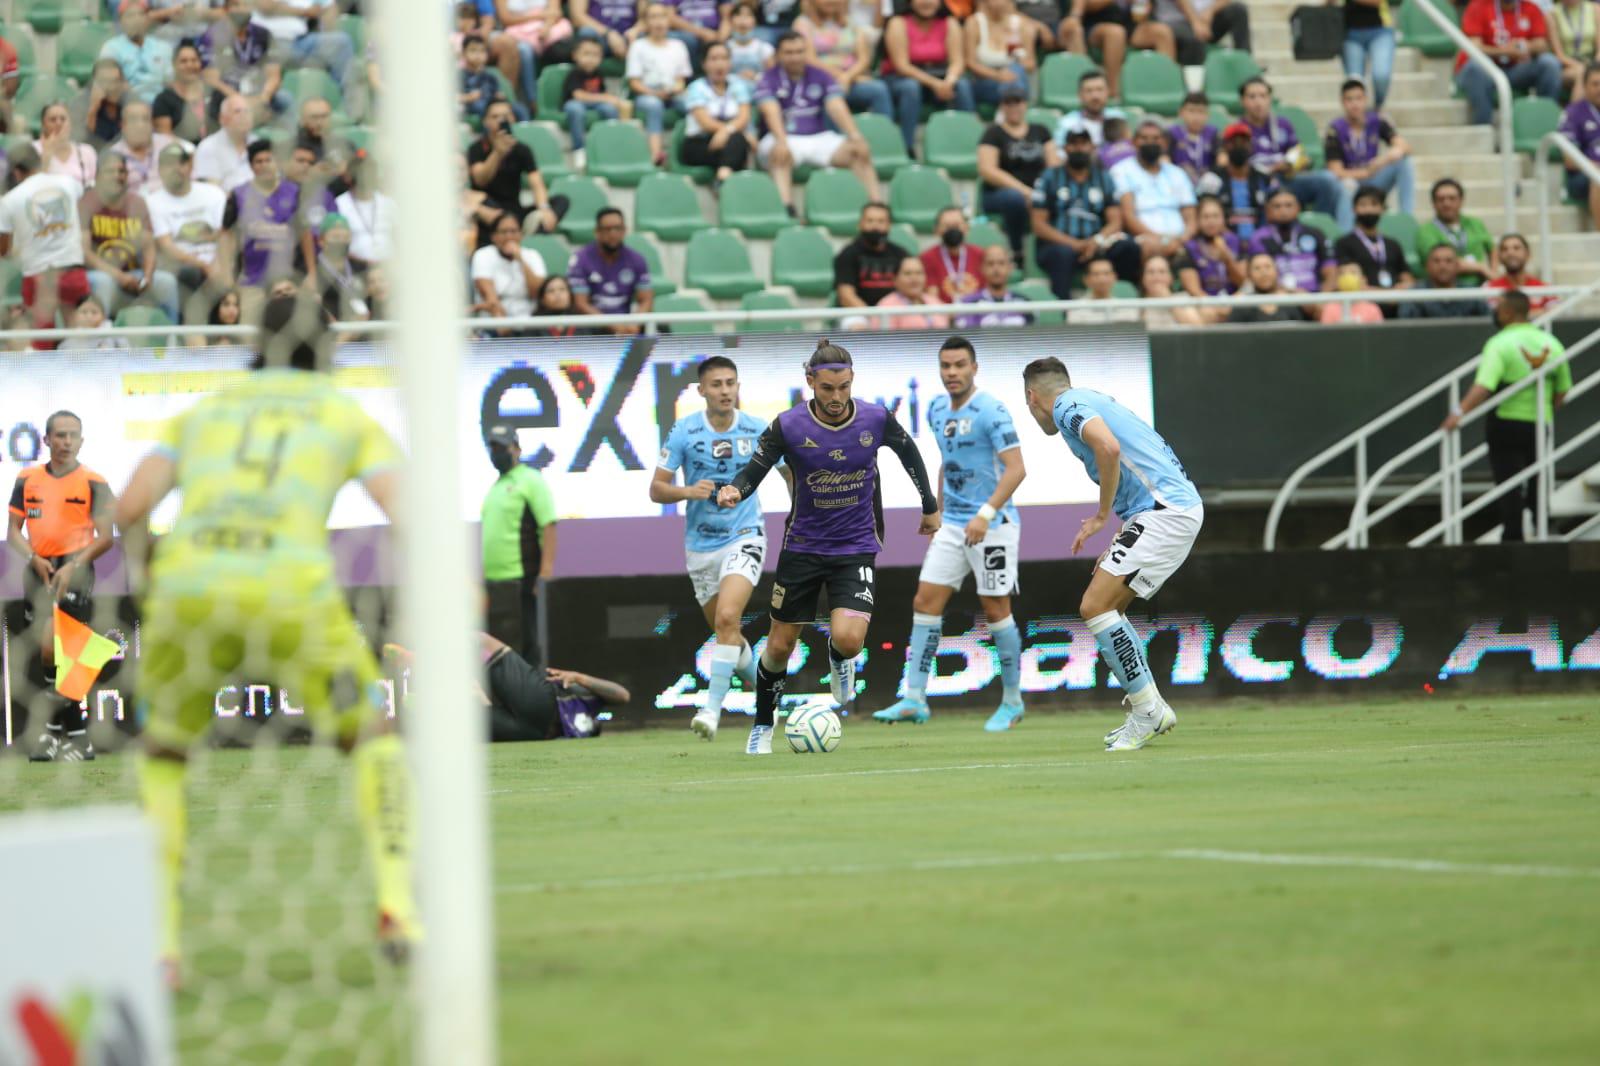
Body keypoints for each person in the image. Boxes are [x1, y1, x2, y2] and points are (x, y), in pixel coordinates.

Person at [116, 293, 421, 981]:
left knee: (163, 754)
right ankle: (398, 907)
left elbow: (130, 506)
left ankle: (162, 946)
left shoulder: (206, 410)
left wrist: (147, 577)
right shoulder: (342, 413)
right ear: (330, 346)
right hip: (293, 594)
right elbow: (406, 507)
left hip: (189, 590)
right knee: (371, 739)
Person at [715, 340, 941, 755]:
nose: (836, 398)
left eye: (843, 388)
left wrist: (930, 506)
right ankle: (763, 725)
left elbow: (910, 454)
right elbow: (756, 469)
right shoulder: (788, 425)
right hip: (802, 548)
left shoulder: (876, 418)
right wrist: (735, 489)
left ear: (851, 381)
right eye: (827, 389)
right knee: (780, 645)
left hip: (855, 547)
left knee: (850, 640)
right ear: (810, 383)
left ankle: (840, 658)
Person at [1021, 355, 1201, 750]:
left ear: (1032, 397)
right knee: (1106, 609)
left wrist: (1101, 515)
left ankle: (1148, 710)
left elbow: (1108, 447)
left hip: (1164, 511)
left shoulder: (1067, 406)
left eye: (1028, 406)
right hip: (1167, 510)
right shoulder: (1092, 397)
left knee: (1095, 606)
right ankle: (1148, 707)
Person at [874, 337, 1028, 730]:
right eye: (946, 366)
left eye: (960, 365)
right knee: (925, 601)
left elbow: (1016, 469)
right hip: (954, 522)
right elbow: (949, 463)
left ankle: (1012, 701)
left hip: (993, 525)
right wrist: (935, 509)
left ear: (974, 368)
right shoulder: (937, 408)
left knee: (995, 609)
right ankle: (914, 699)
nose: (952, 373)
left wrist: (986, 512)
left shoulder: (992, 411)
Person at [650, 357, 772, 741]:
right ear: (701, 390)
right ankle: (770, 701)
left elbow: (789, 475)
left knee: (727, 618)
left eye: (730, 383)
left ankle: (711, 709)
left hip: (746, 535)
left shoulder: (758, 430)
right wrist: (688, 491)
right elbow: (657, 488)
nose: (725, 391)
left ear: (738, 387)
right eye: (716, 384)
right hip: (701, 545)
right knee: (728, 636)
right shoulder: (684, 432)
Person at [6, 411, 114, 763]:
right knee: (50, 653)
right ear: (47, 441)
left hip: (76, 568)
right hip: (38, 569)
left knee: (64, 649)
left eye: (73, 435)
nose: (67, 442)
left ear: (81, 441)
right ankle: (74, 736)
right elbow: (13, 534)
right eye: (60, 435)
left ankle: (55, 733)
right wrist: (33, 558)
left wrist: (75, 565)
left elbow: (106, 537)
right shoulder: (27, 478)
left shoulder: (94, 481)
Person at [1441, 289, 1570, 541]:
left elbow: (1484, 386)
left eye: (1498, 308)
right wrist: (1545, 408)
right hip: (1538, 423)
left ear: (1509, 312)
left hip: (1505, 423)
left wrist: (1458, 412)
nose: (1495, 313)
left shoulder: (1499, 343)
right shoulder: (1551, 343)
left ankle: (1513, 534)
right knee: (1538, 477)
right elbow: (1563, 389)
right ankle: (1543, 526)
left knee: (1508, 481)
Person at [382, 636, 624, 743]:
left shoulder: (587, 698)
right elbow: (620, 695)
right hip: (534, 734)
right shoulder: (590, 714)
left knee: (480, 642)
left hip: (545, 705)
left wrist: (579, 677)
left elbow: (623, 695)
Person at [757, 32, 879, 210]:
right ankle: (786, 208)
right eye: (789, 53)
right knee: (779, 153)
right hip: (783, 136)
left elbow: (836, 106)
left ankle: (876, 206)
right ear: (778, 55)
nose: (795, 57)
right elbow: (771, 111)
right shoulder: (768, 78)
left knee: (858, 150)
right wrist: (782, 141)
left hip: (818, 136)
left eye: (799, 52)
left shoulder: (820, 74)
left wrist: (855, 135)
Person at [1031, 120, 1141, 297]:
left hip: (1096, 244)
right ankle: (1063, 312)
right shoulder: (1049, 177)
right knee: (1062, 255)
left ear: (1092, 147)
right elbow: (1038, 225)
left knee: (1128, 247)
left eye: (1083, 144)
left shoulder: (1104, 178)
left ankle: (1125, 303)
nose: (1079, 148)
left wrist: (1096, 241)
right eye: (1073, 144)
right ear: (1065, 148)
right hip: (1059, 244)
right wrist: (1073, 244)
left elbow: (1115, 221)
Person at [480, 423, 559, 663]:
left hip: (521, 580)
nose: (497, 453)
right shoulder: (496, 486)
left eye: (502, 447)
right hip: (495, 584)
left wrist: (544, 573)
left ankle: (530, 698)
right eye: (493, 447)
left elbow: (549, 525)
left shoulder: (531, 480)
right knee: (499, 653)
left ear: (516, 449)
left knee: (524, 650)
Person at [0, 144, 90, 348]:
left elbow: (2, 250)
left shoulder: (10, 200)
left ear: (15, 172)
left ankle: (45, 378)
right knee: (78, 336)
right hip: (71, 268)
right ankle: (84, 373)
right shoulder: (69, 183)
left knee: (42, 341)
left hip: (37, 274)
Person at [1238, 77, 1351, 231]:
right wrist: (1269, 171)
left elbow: (1300, 156)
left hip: (1287, 178)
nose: (1258, 102)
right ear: (1242, 101)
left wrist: (1290, 165)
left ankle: (1317, 230)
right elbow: (1236, 166)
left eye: (1263, 96)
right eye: (1252, 97)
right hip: (1258, 182)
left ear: (1270, 99)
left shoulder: (1283, 124)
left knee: (1329, 180)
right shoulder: (1238, 129)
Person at [81, 149, 181, 323]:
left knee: (167, 282)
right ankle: (103, 341)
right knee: (103, 282)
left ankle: (170, 340)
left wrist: (148, 276)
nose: (117, 176)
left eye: (121, 171)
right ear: (97, 176)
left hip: (134, 273)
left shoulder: (137, 203)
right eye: (110, 171)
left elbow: (149, 247)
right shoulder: (87, 202)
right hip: (101, 273)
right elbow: (85, 253)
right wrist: (118, 276)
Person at [218, 138, 317, 304]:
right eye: (258, 161)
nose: (264, 165)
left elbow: (305, 233)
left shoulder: (294, 192)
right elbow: (225, 233)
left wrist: (311, 274)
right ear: (251, 166)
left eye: (268, 160)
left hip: (289, 278)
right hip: (251, 278)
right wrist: (227, 274)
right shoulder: (239, 194)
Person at [881, 0, 976, 153]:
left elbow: (958, 61)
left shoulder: (949, 22)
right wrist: (935, 84)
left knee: (962, 85)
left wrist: (949, 81)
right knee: (910, 88)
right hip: (901, 79)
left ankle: (972, 143)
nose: (926, 2)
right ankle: (907, 147)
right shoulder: (898, 22)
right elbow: (902, 66)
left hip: (939, 76)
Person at [149, 142, 229, 323]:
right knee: (190, 273)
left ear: (191, 166)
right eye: (169, 164)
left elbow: (225, 235)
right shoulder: (153, 202)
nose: (177, 168)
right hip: (181, 267)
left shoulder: (213, 194)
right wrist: (204, 266)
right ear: (160, 170)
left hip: (218, 259)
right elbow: (167, 246)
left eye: (182, 163)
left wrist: (220, 264)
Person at [978, 85, 1058, 258]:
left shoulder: (1041, 130)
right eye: (1008, 102)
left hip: (1037, 188)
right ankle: (1017, 250)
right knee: (1014, 199)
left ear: (1025, 104)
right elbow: (987, 170)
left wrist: (1040, 191)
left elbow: (1054, 165)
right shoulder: (993, 133)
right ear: (1002, 106)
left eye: (1017, 102)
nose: (1013, 106)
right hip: (999, 193)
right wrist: (1024, 191)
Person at [1456, 0, 1563, 126]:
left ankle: (1544, 120)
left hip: (1516, 68)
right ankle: (1483, 127)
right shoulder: (1478, 5)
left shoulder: (1530, 7)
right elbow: (1474, 47)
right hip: (1486, 70)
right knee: (1475, 67)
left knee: (1549, 63)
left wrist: (1524, 46)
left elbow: (1541, 44)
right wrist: (1505, 51)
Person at [468, 99, 561, 241]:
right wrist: (497, 153)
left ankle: (528, 231)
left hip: (515, 209)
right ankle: (515, 232)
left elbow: (536, 181)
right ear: (485, 121)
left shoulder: (521, 149)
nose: (501, 120)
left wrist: (544, 208)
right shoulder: (476, 149)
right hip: (490, 210)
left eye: (506, 116)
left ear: (513, 118)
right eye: (495, 116)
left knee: (560, 201)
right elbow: (480, 180)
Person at [1324, 79, 1415, 216]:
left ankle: (1407, 216)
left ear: (1365, 100)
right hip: (1351, 181)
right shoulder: (1335, 129)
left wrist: (1385, 159)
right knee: (1346, 185)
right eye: (1349, 99)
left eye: (1359, 99)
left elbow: (1406, 147)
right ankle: (1346, 232)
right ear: (1342, 102)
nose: (1355, 104)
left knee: (1404, 161)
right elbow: (1336, 171)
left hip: (1374, 179)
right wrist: (1366, 172)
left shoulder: (1377, 120)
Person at [1059, 0, 1176, 101]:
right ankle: (1113, 94)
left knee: (1162, 32)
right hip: (1096, 25)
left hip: (1130, 24)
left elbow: (1143, 9)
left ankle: (1167, 87)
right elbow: (1087, 5)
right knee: (1116, 33)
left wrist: (1143, 7)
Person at [1113, 120, 1197, 259]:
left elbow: (1191, 217)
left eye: (1156, 138)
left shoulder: (1177, 173)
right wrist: (1162, 240)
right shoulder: (1122, 170)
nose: (1150, 142)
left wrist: (1181, 239)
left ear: (1164, 143)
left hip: (1180, 239)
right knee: (1149, 246)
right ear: (1134, 142)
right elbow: (1128, 216)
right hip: (1145, 238)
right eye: (1144, 138)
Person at [797, 0, 892, 119]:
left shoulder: (850, 22)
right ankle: (837, 137)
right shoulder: (803, 23)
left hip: (851, 79)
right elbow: (809, 59)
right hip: (821, 80)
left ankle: (884, 135)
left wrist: (847, 77)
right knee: (833, 93)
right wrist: (839, 76)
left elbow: (864, 58)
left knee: (878, 89)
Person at [680, 41, 755, 187]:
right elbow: (705, 122)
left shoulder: (738, 85)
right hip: (700, 143)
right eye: (714, 59)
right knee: (739, 142)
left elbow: (744, 116)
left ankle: (722, 179)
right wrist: (727, 130)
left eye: (724, 58)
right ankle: (728, 185)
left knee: (737, 142)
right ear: (704, 63)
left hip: (730, 141)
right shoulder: (696, 88)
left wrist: (726, 131)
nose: (719, 64)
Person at [568, 206, 655, 331]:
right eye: (607, 229)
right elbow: (581, 304)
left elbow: (646, 299)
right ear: (597, 232)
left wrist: (634, 323)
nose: (613, 234)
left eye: (617, 228)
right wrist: (613, 326)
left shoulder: (637, 259)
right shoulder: (580, 259)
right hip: (594, 323)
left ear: (624, 231)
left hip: (626, 322)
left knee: (659, 328)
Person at [628, 3, 694, 166]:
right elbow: (634, 83)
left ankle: (689, 152)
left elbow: (681, 79)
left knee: (691, 104)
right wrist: (655, 93)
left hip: (672, 92)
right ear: (645, 22)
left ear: (669, 20)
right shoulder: (638, 46)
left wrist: (676, 88)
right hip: (646, 93)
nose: (659, 22)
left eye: (662, 16)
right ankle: (656, 155)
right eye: (653, 17)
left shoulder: (678, 46)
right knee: (654, 106)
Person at [1332, 184, 1414, 314]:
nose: (1369, 210)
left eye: (1374, 204)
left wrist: (1405, 286)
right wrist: (1389, 295)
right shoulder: (1344, 243)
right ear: (1354, 209)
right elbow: (1348, 282)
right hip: (1362, 310)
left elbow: (1407, 277)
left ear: (1382, 209)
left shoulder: (1393, 244)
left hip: (1398, 308)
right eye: (1363, 205)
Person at [199, 0, 283, 125]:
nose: (242, 9)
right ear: (226, 9)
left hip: (258, 91)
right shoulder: (212, 36)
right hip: (226, 92)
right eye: (236, 5)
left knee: (285, 100)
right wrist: (241, 99)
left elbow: (274, 75)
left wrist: (263, 98)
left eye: (246, 5)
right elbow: (211, 79)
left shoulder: (263, 34)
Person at [248, 1, 355, 95]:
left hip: (299, 42)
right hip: (266, 41)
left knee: (341, 42)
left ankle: (351, 106)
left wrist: (326, 27)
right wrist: (305, 11)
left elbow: (329, 8)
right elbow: (266, 6)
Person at [1246, 187, 1337, 293]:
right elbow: (1258, 276)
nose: (1283, 211)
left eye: (1288, 205)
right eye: (1277, 206)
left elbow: (1331, 272)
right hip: (1276, 298)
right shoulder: (1259, 238)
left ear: (1298, 208)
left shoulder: (1315, 234)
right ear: (1268, 211)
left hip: (1313, 298)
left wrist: (1320, 301)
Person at [1194, 121, 1274, 241]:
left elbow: (1273, 210)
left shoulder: (1263, 176)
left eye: (1243, 142)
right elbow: (1202, 212)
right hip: (1222, 240)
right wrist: (1232, 240)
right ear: (1225, 146)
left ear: (1251, 145)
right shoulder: (1211, 178)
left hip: (1261, 241)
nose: (1239, 146)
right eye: (1233, 143)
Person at [471, 212, 547, 329]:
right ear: (493, 236)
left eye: (513, 231)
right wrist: (505, 329)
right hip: (495, 325)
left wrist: (520, 259)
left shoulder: (532, 256)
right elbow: (490, 298)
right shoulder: (483, 255)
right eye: (503, 232)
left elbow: (537, 293)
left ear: (521, 234)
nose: (509, 237)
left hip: (530, 325)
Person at [1415, 177, 1497, 284]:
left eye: (1452, 198)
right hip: (1446, 288)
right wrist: (1480, 268)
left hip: (1480, 286)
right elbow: (1443, 263)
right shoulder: (1426, 231)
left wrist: (1494, 274)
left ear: (1461, 201)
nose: (1447, 203)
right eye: (1441, 199)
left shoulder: (1475, 223)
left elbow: (1492, 249)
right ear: (1433, 203)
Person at [563, 35, 632, 160]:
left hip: (593, 104)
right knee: (576, 109)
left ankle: (612, 145)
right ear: (575, 55)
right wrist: (606, 97)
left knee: (609, 109)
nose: (591, 59)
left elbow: (601, 94)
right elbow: (578, 95)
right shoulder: (575, 73)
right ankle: (579, 150)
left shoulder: (598, 73)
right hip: (575, 103)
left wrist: (608, 99)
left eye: (595, 55)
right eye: (586, 54)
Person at [834, 201, 910, 309]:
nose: (875, 226)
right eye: (870, 221)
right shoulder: (848, 254)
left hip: (894, 311)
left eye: (881, 221)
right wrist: (872, 318)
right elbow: (846, 296)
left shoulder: (900, 254)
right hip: (857, 313)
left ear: (889, 225)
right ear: (860, 224)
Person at [966, 0, 1040, 109]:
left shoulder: (1019, 24)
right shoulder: (974, 23)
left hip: (1014, 77)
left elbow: (1031, 63)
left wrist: (1011, 71)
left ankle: (1007, 112)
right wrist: (997, 75)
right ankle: (1013, 112)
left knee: (1016, 73)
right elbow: (970, 63)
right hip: (986, 81)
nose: (999, 2)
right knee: (1014, 83)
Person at [100, 0, 176, 105]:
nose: (136, 19)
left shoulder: (163, 47)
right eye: (130, 15)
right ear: (121, 20)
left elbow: (170, 82)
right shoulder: (111, 48)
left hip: (160, 106)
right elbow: (110, 85)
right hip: (126, 105)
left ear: (147, 19)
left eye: (140, 14)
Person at [1557, 62, 1600, 229]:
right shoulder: (1573, 113)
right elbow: (1570, 160)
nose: (1599, 89)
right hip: (1583, 177)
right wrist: (1595, 167)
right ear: (1585, 86)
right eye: (1595, 84)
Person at [1178, 194, 1245, 297]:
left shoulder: (1234, 241)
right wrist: (1215, 307)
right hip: (1205, 306)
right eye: (1206, 217)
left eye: (1215, 216)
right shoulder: (1190, 247)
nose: (1211, 221)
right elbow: (1194, 291)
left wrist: (1227, 258)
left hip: (1234, 302)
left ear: (1223, 218)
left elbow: (1242, 282)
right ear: (1198, 220)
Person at [1400, 244, 1492, 319]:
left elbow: (1487, 323)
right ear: (1427, 266)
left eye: (1448, 261)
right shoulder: (1413, 295)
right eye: (1436, 261)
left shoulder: (1472, 293)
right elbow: (1406, 331)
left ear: (1457, 266)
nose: (1442, 266)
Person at [334, 154, 394, 269]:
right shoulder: (340, 204)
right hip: (355, 267)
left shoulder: (388, 204)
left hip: (389, 266)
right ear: (348, 176)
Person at [1339, 0, 1397, 109]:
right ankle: (1359, 118)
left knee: (1381, 76)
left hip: (1381, 30)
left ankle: (1377, 109)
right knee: (1354, 84)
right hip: (1350, 33)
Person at [956, 244, 1033, 326]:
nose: (996, 268)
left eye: (1001, 263)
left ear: (1010, 268)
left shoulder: (1024, 302)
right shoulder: (968, 303)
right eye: (990, 263)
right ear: (982, 268)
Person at [1154, 0, 1251, 65]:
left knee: (1238, 11)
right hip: (1175, 22)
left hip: (1207, 20)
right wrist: (1195, 22)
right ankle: (1194, 86)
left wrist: (1209, 12)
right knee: (1193, 37)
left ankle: (1246, 64)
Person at [192, 93, 254, 193]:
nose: (244, 116)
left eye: (247, 111)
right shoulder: (208, 147)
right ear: (222, 118)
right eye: (237, 111)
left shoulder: (259, 144)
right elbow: (211, 191)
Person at [152, 42, 212, 144]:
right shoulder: (164, 100)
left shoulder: (213, 94)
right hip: (182, 155)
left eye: (194, 60)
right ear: (174, 65)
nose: (190, 65)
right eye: (183, 61)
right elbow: (164, 137)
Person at [921, 206, 984, 303]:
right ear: (937, 230)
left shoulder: (980, 255)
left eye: (956, 226)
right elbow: (932, 298)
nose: (952, 231)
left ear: (966, 228)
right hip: (943, 315)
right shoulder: (927, 258)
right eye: (947, 226)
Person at [1226, 252, 1310, 322]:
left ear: (1277, 271)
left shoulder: (1293, 301)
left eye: (1268, 267)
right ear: (1249, 275)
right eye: (1257, 268)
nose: (1263, 272)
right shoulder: (1243, 305)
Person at [872, 255, 950, 329]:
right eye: (907, 273)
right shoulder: (886, 306)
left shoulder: (934, 301)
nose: (914, 279)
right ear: (895, 279)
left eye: (919, 273)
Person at [1052, 68, 1124, 147]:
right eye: (1089, 91)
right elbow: (1059, 153)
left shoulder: (1118, 117)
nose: (1095, 96)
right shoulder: (1067, 123)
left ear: (1108, 92)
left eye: (1099, 90)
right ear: (1080, 95)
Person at [35, 102, 99, 186]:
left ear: (70, 123)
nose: (58, 123)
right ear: (44, 125)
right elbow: (32, 185)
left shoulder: (86, 152)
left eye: (63, 119)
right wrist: (46, 156)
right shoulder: (33, 150)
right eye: (53, 119)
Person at [495, 0, 576, 66]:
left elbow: (555, 11)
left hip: (548, 26)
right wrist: (538, 16)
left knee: (562, 46)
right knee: (525, 50)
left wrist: (546, 27)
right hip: (517, 31)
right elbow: (506, 19)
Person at [1485, 232, 1553, 310]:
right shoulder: (1489, 288)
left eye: (1516, 248)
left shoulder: (1544, 288)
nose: (1510, 253)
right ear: (1499, 257)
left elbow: (1558, 314)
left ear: (1528, 254)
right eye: (1505, 249)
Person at [1549, 0, 1600, 101]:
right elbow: (1559, 55)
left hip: (1593, 61)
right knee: (1582, 73)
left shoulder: (1595, 9)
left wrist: (1594, 65)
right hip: (1568, 66)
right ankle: (1574, 115)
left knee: (1592, 73)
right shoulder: (1552, 14)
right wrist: (1584, 67)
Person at [75, 59, 130, 149]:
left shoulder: (127, 102)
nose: (112, 87)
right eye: (106, 81)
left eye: (116, 81)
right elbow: (83, 146)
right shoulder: (81, 103)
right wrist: (93, 109)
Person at [1065, 255, 1139, 322]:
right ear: (1086, 280)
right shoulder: (1076, 309)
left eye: (1106, 273)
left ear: (1115, 277)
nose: (1102, 279)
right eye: (1096, 274)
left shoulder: (1127, 309)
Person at [1140, 253, 1207, 326]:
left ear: (1171, 277)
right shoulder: (1135, 303)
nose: (1156, 277)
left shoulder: (1183, 299)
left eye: (1162, 272)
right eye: (1151, 272)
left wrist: (1169, 300)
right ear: (1143, 278)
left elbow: (1198, 329)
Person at [1167, 92, 1218, 184]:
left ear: (1208, 114)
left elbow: (1220, 161)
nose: (1196, 117)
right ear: (1181, 112)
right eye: (1191, 111)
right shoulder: (1172, 134)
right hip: (1178, 184)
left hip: (1206, 185)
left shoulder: (1213, 134)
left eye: (1201, 112)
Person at [459, 34, 510, 123]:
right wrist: (467, 97)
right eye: (473, 50)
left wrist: (498, 95)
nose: (478, 54)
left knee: (518, 110)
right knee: (484, 108)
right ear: (463, 53)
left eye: (482, 51)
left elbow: (496, 92)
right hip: (472, 107)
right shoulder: (459, 76)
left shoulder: (490, 77)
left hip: (491, 104)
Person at [573, 0, 643, 59]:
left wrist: (636, 30)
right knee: (587, 33)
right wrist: (608, 33)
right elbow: (577, 16)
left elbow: (647, 16)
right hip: (600, 36)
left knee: (642, 37)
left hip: (629, 37)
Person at [728, 1, 778, 82]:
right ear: (731, 21)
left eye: (748, 15)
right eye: (738, 15)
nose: (742, 20)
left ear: (755, 21)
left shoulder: (765, 49)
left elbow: (773, 78)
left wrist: (756, 77)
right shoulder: (724, 48)